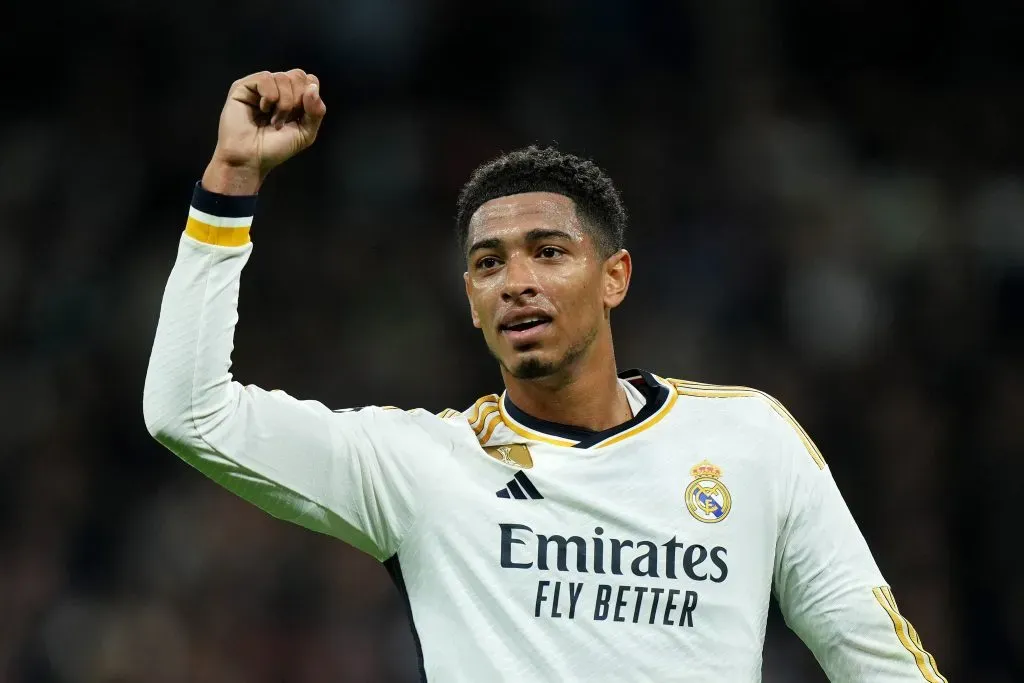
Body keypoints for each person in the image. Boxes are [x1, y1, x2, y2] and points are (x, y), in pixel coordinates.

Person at [143, 69, 946, 682]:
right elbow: (188, 412)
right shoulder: (421, 467)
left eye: (549, 252)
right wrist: (231, 179)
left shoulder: (750, 440)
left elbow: (876, 659)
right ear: (471, 301)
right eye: (488, 263)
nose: (516, 280)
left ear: (615, 277)